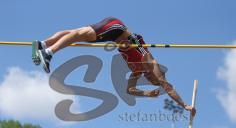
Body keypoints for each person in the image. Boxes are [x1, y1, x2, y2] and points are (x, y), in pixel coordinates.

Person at [32, 17, 196, 116]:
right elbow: (168, 87)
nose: (150, 78)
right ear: (157, 73)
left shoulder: (137, 71)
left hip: (113, 31)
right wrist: (184, 105)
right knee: (77, 35)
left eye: (151, 80)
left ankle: (42, 44)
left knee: (74, 33)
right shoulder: (149, 62)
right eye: (154, 79)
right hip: (116, 29)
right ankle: (49, 52)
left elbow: (129, 90)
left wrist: (147, 93)